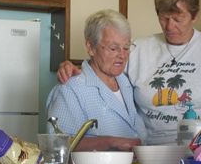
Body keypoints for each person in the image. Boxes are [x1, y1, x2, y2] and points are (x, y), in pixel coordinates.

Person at [58, 0, 201, 145]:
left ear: (195, 16)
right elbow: (106, 68)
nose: (170, 26)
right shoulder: (140, 48)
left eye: (178, 19)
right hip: (149, 153)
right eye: (164, 18)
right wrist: (74, 68)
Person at [46, 9, 146, 151]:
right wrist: (110, 142)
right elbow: (56, 145)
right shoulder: (70, 89)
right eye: (113, 48)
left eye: (126, 47)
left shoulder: (127, 82)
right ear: (90, 47)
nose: (122, 55)